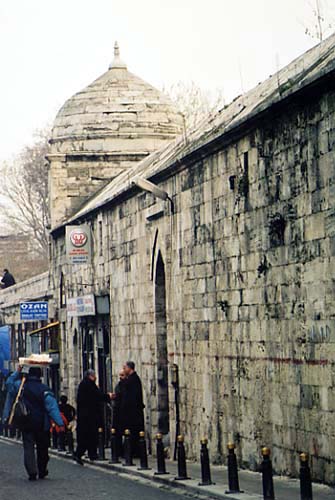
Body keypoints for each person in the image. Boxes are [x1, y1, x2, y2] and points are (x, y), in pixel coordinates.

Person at [4, 365, 64, 481]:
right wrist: (59, 423)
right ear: (39, 375)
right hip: (41, 423)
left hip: (26, 421)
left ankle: (32, 471)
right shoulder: (44, 389)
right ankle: (42, 470)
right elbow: (52, 407)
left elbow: (8, 383)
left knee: (28, 448)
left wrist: (17, 372)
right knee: (43, 448)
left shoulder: (20, 386)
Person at [73, 369, 112, 465]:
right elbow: (97, 395)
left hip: (86, 415)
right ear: (91, 376)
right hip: (89, 416)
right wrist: (108, 396)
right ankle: (79, 454)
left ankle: (91, 453)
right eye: (94, 375)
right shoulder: (89, 385)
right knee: (88, 436)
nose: (96, 377)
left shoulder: (85, 384)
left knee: (91, 436)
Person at [120, 361, 145, 456]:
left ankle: (133, 452)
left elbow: (131, 397)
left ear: (130, 368)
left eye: (125, 368)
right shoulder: (130, 379)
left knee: (133, 433)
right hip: (130, 413)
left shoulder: (133, 380)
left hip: (133, 413)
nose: (124, 370)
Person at [111, 369, 127, 457]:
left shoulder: (127, 385)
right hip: (117, 412)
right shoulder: (118, 385)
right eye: (120, 375)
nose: (120, 377)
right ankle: (118, 451)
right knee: (117, 433)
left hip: (124, 412)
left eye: (122, 375)